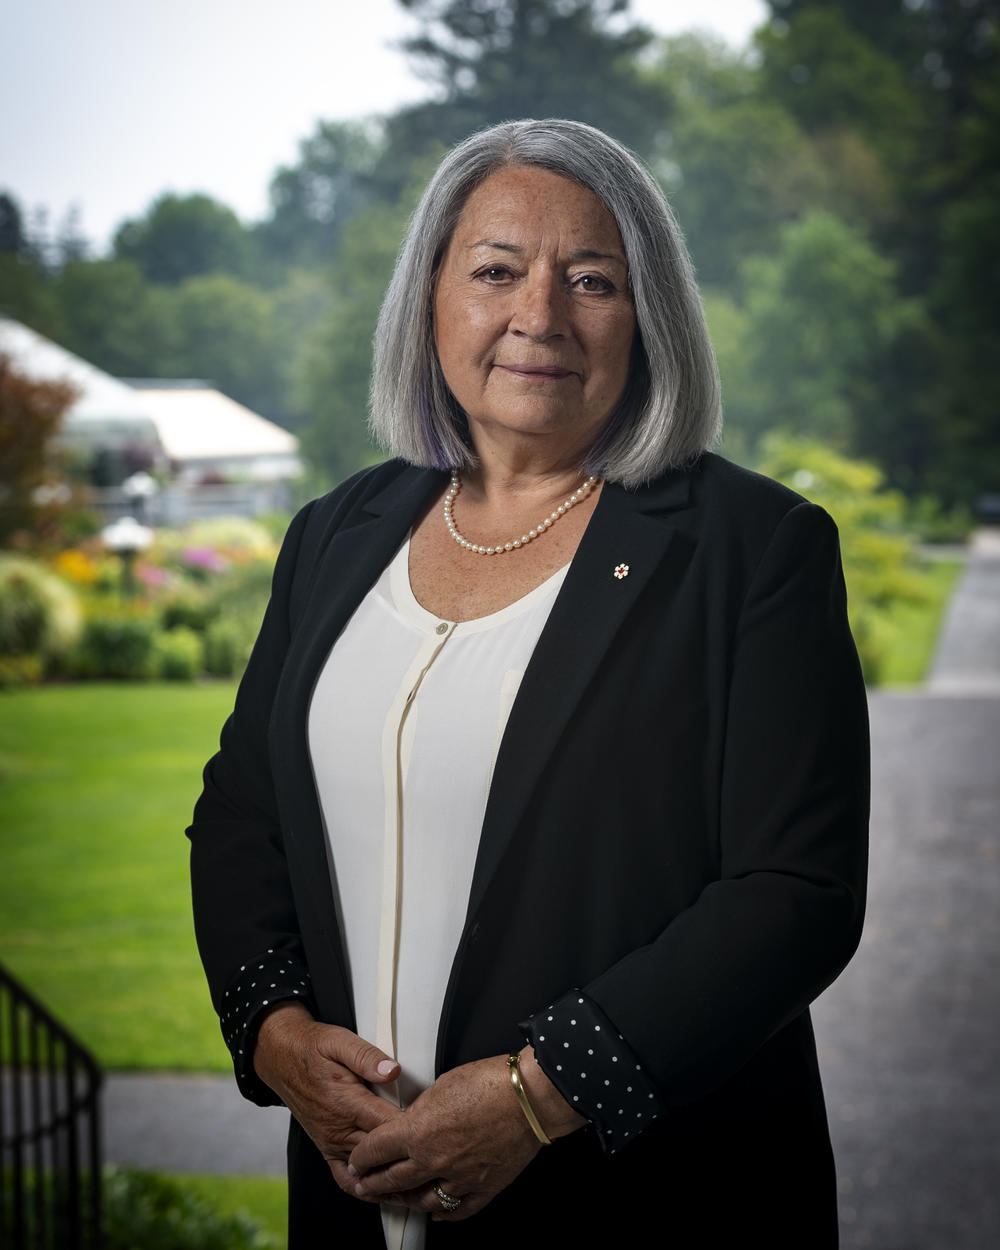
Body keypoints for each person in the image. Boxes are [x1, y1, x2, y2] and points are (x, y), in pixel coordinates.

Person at [188, 118, 869, 1249]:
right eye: (496, 270)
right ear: (430, 299)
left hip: (645, 1198)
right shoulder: (336, 533)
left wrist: (534, 1095)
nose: (539, 316)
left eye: (591, 280)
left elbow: (794, 890)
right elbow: (242, 806)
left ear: (648, 315)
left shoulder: (755, 547)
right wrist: (270, 1024)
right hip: (354, 1196)